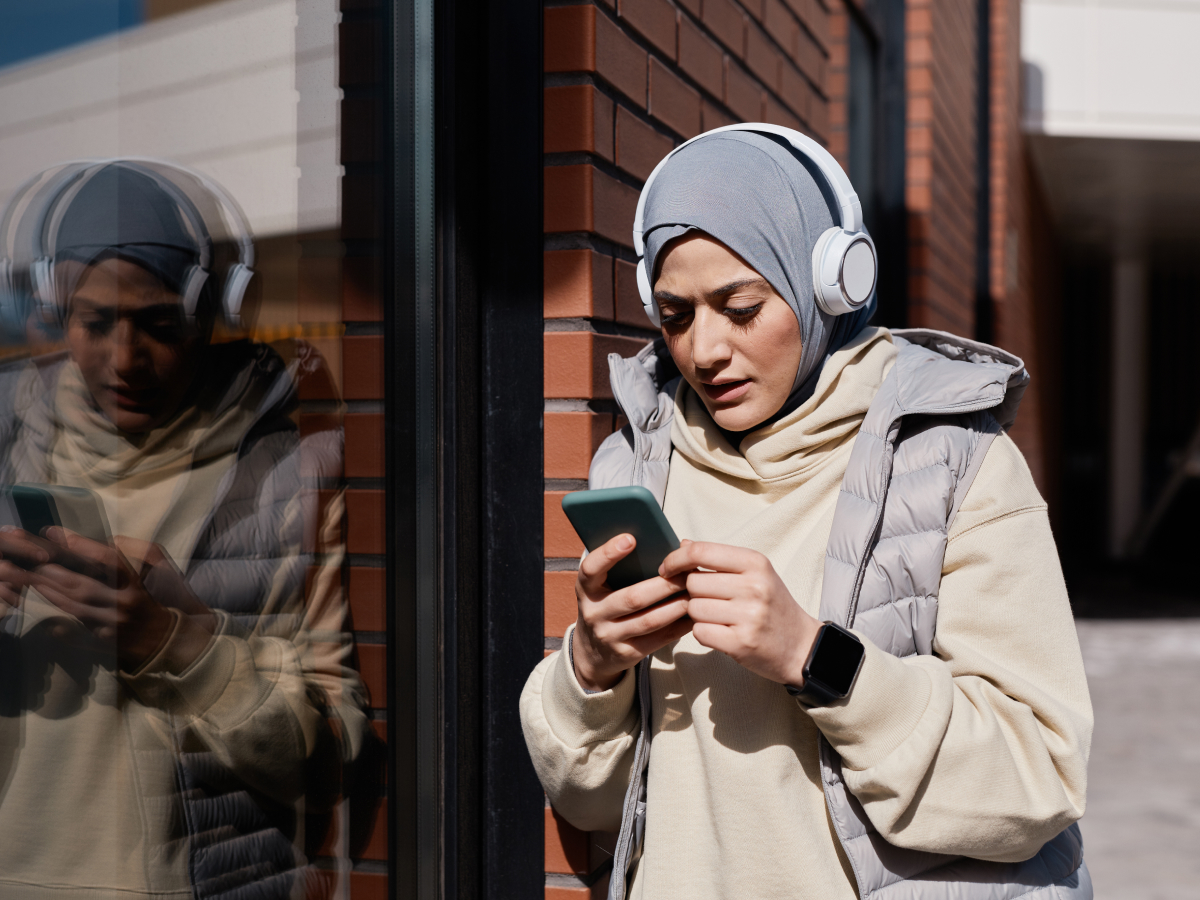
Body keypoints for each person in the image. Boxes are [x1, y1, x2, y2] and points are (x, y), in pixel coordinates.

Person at [520, 126, 1093, 900]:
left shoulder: (956, 467)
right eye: (676, 314)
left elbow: (1038, 778)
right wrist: (591, 667)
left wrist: (812, 656)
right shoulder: (637, 467)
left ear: (831, 283)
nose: (706, 350)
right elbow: (590, 803)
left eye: (741, 306)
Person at [0, 160, 372, 900]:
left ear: (211, 315)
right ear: (55, 310)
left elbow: (337, 759)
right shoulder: (7, 443)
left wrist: (174, 644)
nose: (124, 358)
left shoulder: (284, 476)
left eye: (158, 325)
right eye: (95, 322)